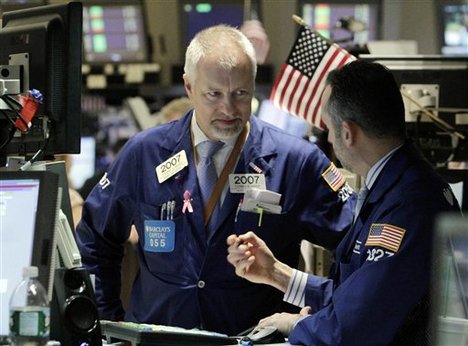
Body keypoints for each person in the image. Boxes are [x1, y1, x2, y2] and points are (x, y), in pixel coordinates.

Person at [75, 24, 355, 335]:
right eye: (214, 94)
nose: (228, 108)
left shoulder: (296, 161)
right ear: (189, 86)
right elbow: (94, 240)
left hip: (255, 340)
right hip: (158, 341)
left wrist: (316, 318)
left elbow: (358, 248)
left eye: (240, 94)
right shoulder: (145, 153)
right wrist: (106, 324)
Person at [227, 60, 462, 344]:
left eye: (328, 128)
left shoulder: (409, 204)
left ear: (347, 133)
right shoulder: (394, 186)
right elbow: (359, 295)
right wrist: (277, 274)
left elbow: (355, 326)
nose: (328, 138)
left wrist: (297, 324)